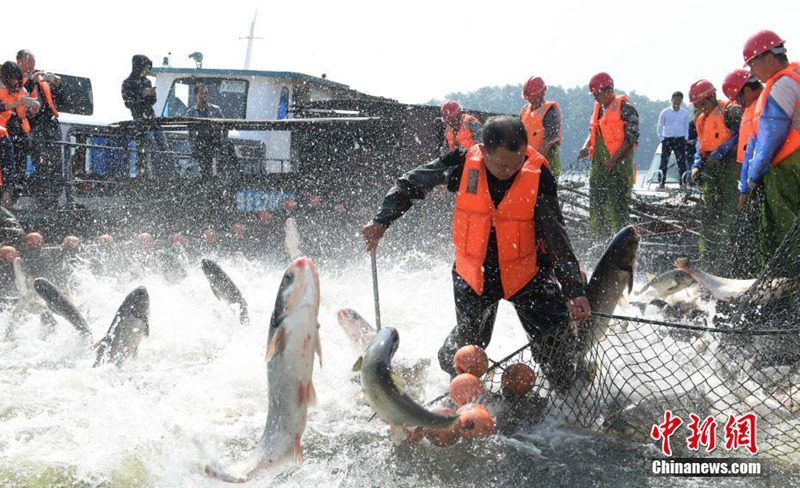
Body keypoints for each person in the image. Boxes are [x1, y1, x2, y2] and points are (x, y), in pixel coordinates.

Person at [361, 116, 591, 391]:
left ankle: (566, 393)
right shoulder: (461, 163)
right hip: (475, 275)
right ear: (483, 151)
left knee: (558, 356)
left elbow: (557, 236)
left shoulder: (538, 173)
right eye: (503, 165)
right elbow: (411, 184)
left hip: (527, 274)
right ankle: (450, 369)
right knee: (467, 355)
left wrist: (573, 289)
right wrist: (381, 221)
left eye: (518, 162)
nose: (511, 170)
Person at [739, 30, 800, 266]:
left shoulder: (783, 85)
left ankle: (786, 290)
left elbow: (769, 138)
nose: (752, 72)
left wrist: (752, 180)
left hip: (788, 169)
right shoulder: (794, 76)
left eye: (752, 64)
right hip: (791, 167)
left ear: (768, 57)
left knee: (784, 233)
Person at [688, 79, 742, 274]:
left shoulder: (730, 110)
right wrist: (696, 166)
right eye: (697, 105)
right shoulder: (700, 119)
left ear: (711, 96)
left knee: (730, 214)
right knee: (709, 216)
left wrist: (722, 152)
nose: (701, 108)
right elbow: (699, 147)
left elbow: (741, 136)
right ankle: (708, 261)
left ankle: (732, 261)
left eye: (703, 103)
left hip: (730, 169)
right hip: (711, 170)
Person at [578, 72, 639, 241]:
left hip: (619, 166)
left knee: (617, 209)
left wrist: (614, 159)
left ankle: (619, 246)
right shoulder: (598, 110)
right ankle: (599, 243)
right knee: (597, 207)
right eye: (594, 96)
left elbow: (631, 138)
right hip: (600, 167)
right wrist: (586, 147)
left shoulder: (626, 108)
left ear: (607, 91)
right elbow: (594, 133)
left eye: (597, 95)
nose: (596, 99)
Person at [17, 50, 63, 208]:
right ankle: (42, 195)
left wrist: (56, 85)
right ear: (19, 61)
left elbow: (57, 100)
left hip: (49, 125)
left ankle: (54, 196)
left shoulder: (41, 80)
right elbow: (18, 94)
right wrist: (31, 81)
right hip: (32, 126)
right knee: (40, 160)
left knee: (55, 162)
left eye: (33, 60)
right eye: (28, 59)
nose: (32, 63)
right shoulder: (13, 78)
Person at [121, 54, 175, 177]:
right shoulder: (127, 83)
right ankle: (154, 174)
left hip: (152, 118)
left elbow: (152, 102)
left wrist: (151, 95)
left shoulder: (147, 81)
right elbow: (128, 103)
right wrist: (142, 95)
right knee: (152, 145)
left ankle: (167, 173)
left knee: (164, 145)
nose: (147, 71)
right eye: (145, 67)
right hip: (140, 120)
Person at [1, 61, 37, 208]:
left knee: (14, 169)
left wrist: (33, 109)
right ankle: (5, 197)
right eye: (12, 78)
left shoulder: (21, 90)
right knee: (7, 168)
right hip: (4, 132)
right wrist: (15, 104)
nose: (15, 81)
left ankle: (9, 199)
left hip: (14, 135)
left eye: (17, 78)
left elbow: (27, 112)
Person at [520, 76, 562, 180]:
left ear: (541, 94)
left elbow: (547, 141)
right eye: (528, 97)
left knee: (546, 192)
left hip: (547, 158)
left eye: (533, 97)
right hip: (528, 158)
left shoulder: (550, 111)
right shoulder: (525, 110)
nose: (530, 100)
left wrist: (535, 162)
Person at [187, 84, 227, 178]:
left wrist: (223, 140)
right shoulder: (191, 112)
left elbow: (225, 125)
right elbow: (191, 132)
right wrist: (192, 146)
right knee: (203, 166)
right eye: (201, 93)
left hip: (214, 141)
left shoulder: (216, 110)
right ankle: (205, 178)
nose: (204, 95)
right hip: (200, 142)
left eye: (206, 93)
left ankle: (215, 178)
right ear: (195, 95)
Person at [656, 91, 690, 187]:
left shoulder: (684, 113)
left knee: (681, 162)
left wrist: (686, 138)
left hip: (680, 139)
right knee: (664, 162)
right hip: (668, 139)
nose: (677, 102)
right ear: (671, 100)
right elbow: (660, 126)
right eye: (675, 99)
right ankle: (661, 182)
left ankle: (683, 183)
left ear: (681, 101)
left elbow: (686, 127)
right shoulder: (665, 112)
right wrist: (662, 138)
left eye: (679, 100)